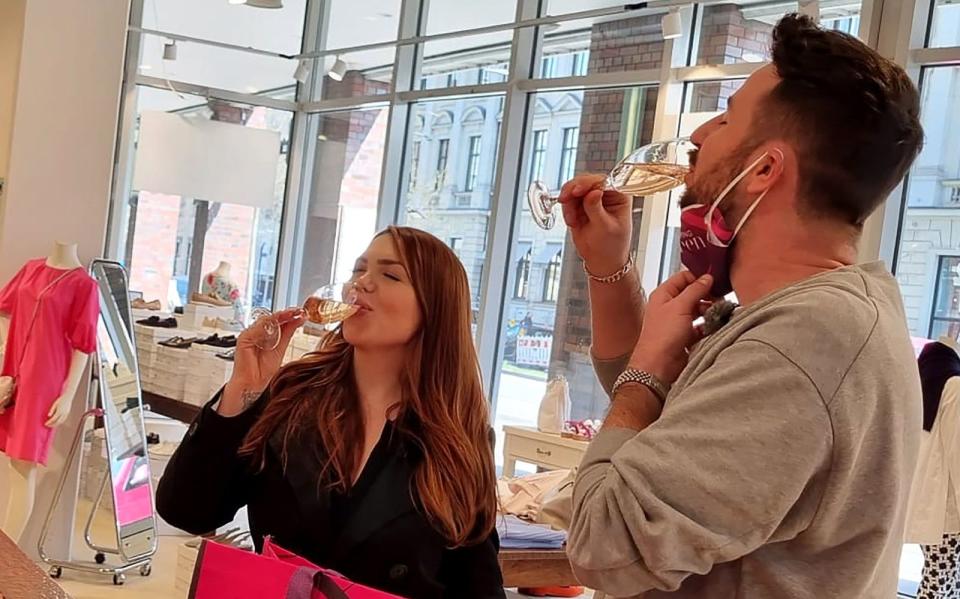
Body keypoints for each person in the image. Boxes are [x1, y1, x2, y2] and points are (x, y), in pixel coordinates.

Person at [562, 14, 924, 598]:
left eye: (728, 117)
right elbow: (654, 404)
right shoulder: (813, 316)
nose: (700, 135)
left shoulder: (803, 341)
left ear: (763, 170)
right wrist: (609, 266)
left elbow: (604, 545)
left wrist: (644, 374)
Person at [157, 226, 505, 599]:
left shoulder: (456, 436)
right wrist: (242, 390)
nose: (362, 284)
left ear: (434, 310)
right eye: (358, 270)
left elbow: (478, 585)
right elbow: (187, 511)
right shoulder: (291, 396)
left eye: (390, 275)